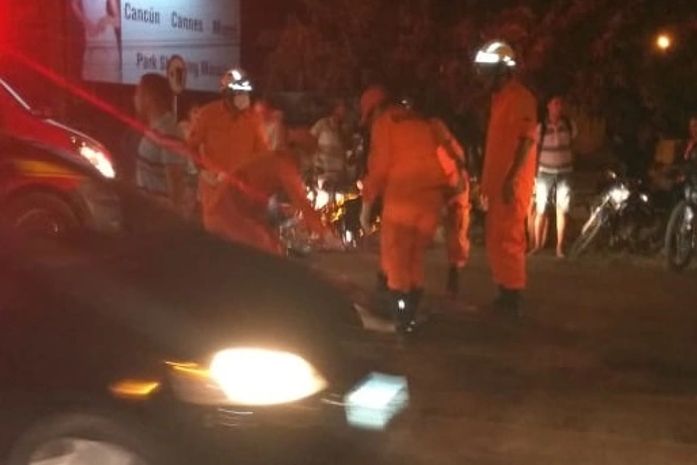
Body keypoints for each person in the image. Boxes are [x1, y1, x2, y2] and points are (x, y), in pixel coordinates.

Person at [359, 89, 451, 334]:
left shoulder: (384, 123)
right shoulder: (417, 120)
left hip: (404, 195)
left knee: (396, 258)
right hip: (431, 196)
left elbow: (380, 167)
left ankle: (400, 318)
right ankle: (410, 314)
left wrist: (366, 206)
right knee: (415, 257)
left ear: (374, 110)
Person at [474, 40, 538, 316]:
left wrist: (511, 178)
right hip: (498, 184)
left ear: (502, 71)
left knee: (510, 238)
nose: (483, 78)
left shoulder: (521, 98)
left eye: (487, 72)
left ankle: (512, 296)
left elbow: (526, 140)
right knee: (496, 238)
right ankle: (504, 291)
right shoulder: (499, 99)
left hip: (512, 184)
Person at [187, 68, 269, 241]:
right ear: (226, 94)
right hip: (214, 192)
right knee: (215, 240)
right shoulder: (208, 114)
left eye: (245, 93)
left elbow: (262, 156)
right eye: (238, 93)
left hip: (240, 194)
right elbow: (191, 147)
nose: (243, 98)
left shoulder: (254, 119)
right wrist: (203, 170)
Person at [530, 94, 578, 258]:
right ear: (548, 106)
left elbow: (573, 145)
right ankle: (537, 245)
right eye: (555, 103)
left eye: (560, 103)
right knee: (541, 208)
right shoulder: (541, 127)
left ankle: (559, 247)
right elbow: (535, 150)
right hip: (545, 172)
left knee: (562, 209)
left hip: (565, 172)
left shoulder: (569, 125)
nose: (559, 107)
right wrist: (534, 174)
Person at [133, 73, 187, 213]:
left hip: (158, 215)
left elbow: (175, 179)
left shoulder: (169, 132)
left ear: (149, 97)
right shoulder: (156, 130)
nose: (135, 98)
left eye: (138, 93)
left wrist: (173, 216)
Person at [71, 0, 121, 83]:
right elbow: (74, 5)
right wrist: (86, 22)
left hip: (107, 40)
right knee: (91, 79)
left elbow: (118, 21)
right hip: (91, 39)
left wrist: (107, 20)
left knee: (110, 79)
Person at [310, 99, 350, 184]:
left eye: (346, 108)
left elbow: (347, 150)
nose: (345, 110)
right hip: (322, 173)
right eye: (342, 107)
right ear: (335, 109)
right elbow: (309, 142)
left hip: (339, 176)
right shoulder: (322, 124)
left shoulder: (346, 129)